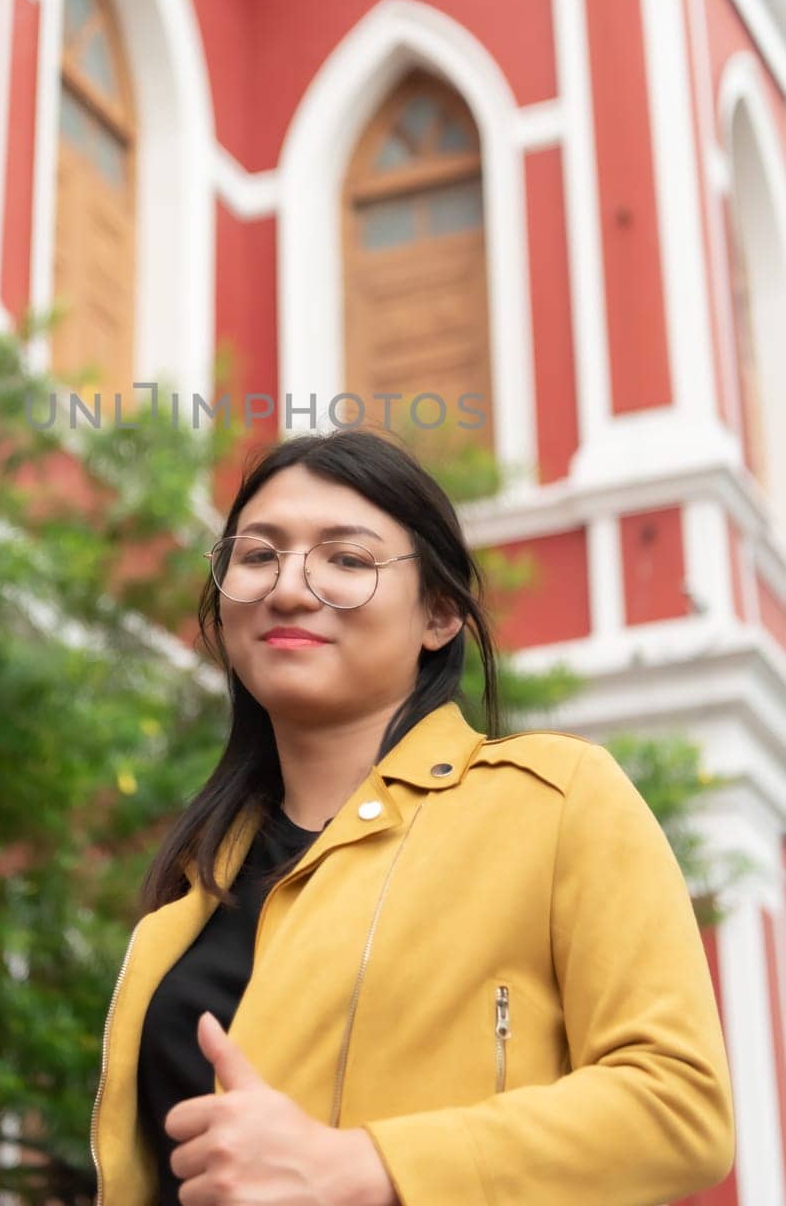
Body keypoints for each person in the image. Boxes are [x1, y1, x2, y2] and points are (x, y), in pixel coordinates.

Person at [89, 427, 735, 1206]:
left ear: (439, 615)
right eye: (257, 556)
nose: (289, 588)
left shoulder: (556, 801)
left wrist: (369, 1167)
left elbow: (681, 1106)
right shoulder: (192, 890)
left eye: (348, 560)